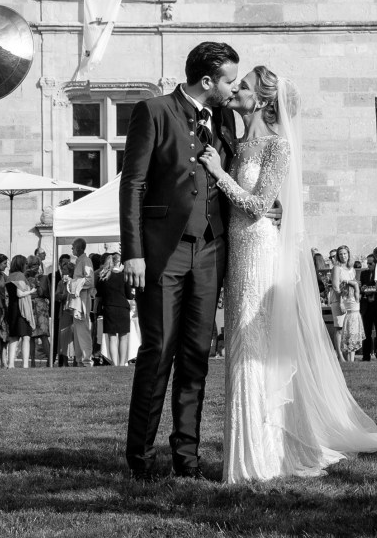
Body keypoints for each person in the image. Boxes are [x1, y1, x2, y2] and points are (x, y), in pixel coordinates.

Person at [196, 64, 377, 482]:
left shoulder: (278, 146)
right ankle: (246, 453)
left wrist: (219, 174)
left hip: (260, 247)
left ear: (261, 100)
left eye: (242, 86)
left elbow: (261, 204)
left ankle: (259, 458)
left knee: (254, 338)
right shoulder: (237, 138)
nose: (235, 90)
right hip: (238, 251)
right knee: (242, 340)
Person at [119, 42, 242, 481]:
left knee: (196, 355)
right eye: (229, 79)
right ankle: (140, 459)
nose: (233, 87)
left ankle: (186, 460)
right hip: (161, 253)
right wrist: (132, 251)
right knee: (158, 352)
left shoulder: (227, 118)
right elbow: (132, 184)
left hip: (211, 250)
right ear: (207, 81)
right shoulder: (152, 111)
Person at [95, 254, 133, 367]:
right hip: (122, 308)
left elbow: (98, 295)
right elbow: (129, 295)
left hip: (109, 308)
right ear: (120, 263)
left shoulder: (103, 277)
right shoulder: (124, 276)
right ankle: (121, 363)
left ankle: (115, 364)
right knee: (123, 337)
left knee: (112, 337)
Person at [4, 255, 37, 368]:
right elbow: (20, 294)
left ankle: (11, 364)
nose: (26, 266)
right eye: (25, 263)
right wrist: (31, 291)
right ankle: (25, 364)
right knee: (26, 337)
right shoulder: (20, 276)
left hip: (12, 308)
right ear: (21, 264)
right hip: (21, 310)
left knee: (13, 337)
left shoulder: (9, 277)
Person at [335, 282, 363, 362]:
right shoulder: (355, 297)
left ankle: (349, 359)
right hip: (355, 317)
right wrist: (347, 280)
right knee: (353, 338)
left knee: (348, 338)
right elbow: (356, 284)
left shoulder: (343, 297)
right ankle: (351, 359)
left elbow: (341, 305)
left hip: (348, 317)